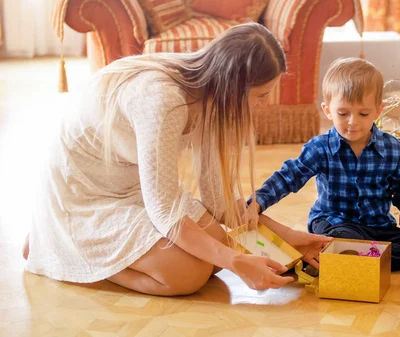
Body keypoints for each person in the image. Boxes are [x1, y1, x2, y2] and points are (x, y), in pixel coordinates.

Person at [22, 22, 331, 296]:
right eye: (260, 95)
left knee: (214, 250)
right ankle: (62, 248)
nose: (263, 105)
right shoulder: (163, 102)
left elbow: (219, 199)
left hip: (136, 186)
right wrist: (238, 262)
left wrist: (290, 238)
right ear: (233, 88)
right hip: (84, 196)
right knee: (187, 274)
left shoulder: (212, 95)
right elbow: (165, 212)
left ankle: (65, 246)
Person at [247, 58, 400, 271]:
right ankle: (354, 257)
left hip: (377, 227)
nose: (353, 121)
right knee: (342, 239)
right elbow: (289, 176)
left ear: (378, 110)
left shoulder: (394, 149)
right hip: (334, 223)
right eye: (343, 113)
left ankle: (346, 259)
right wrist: (258, 201)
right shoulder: (320, 148)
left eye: (363, 113)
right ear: (327, 110)